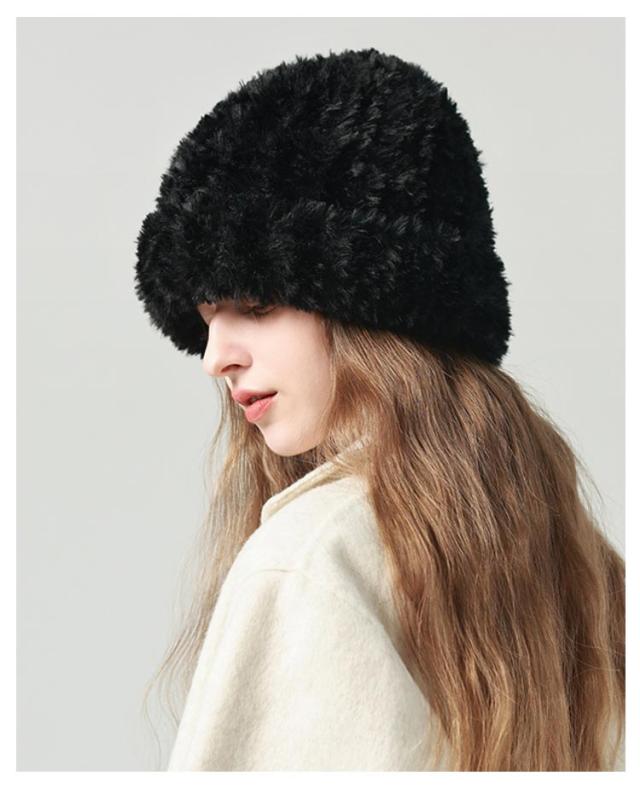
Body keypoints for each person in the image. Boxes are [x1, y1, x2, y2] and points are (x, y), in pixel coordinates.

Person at [134, 48, 625, 771]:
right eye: (208, 318)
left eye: (257, 304)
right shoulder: (579, 564)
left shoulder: (308, 561)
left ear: (374, 312)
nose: (215, 358)